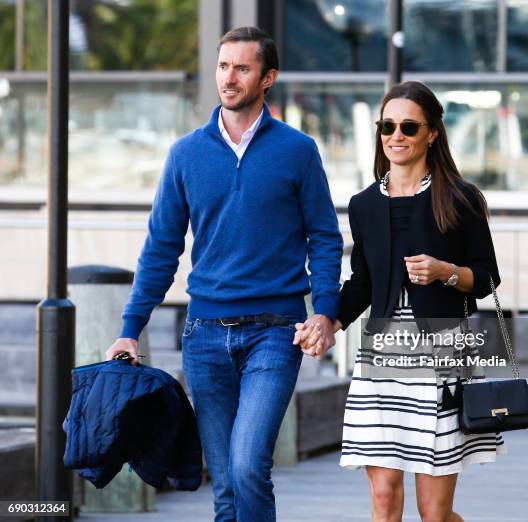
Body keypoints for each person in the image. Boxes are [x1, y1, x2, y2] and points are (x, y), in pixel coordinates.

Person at [105, 26, 342, 521]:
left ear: (268, 77)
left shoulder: (298, 151)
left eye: (242, 67)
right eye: (222, 66)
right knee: (226, 486)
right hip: (204, 336)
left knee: (248, 465)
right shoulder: (186, 154)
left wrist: (325, 312)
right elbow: (161, 249)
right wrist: (131, 329)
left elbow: (324, 238)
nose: (228, 78)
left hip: (276, 333)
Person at [295, 81, 507, 522]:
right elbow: (363, 282)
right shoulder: (364, 204)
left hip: (445, 355)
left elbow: (487, 278)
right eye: (388, 125)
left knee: (435, 512)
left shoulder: (460, 199)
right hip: (382, 357)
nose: (396, 135)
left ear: (432, 133)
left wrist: (446, 271)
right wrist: (326, 321)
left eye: (409, 126)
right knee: (384, 499)